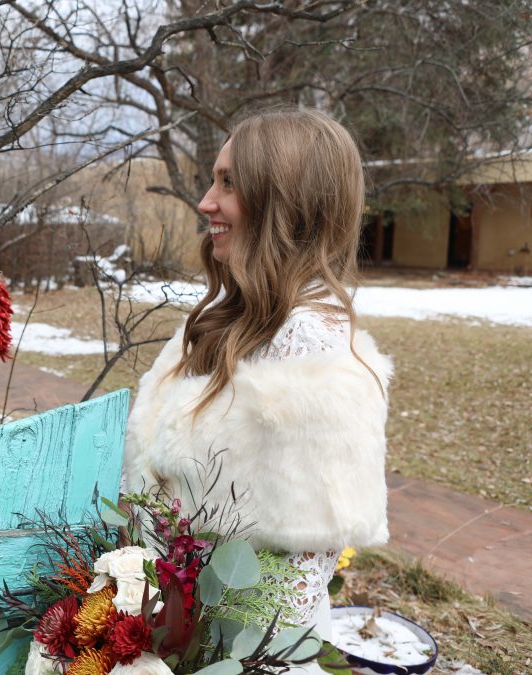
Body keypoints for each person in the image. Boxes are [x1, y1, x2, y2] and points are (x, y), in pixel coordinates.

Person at [122, 108, 392, 640]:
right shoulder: (227, 318)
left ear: (284, 202)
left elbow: (289, 594)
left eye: (229, 183)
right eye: (212, 179)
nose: (206, 201)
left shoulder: (314, 350)